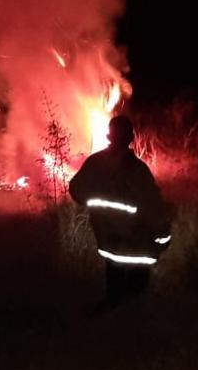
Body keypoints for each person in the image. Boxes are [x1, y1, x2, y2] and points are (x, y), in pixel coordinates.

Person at [68, 115, 172, 309]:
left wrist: (92, 203)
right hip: (136, 244)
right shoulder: (138, 170)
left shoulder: (94, 162)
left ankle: (113, 306)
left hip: (107, 240)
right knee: (136, 293)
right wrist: (163, 238)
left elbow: (75, 188)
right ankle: (129, 312)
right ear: (131, 138)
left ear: (108, 136)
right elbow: (153, 207)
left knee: (114, 281)